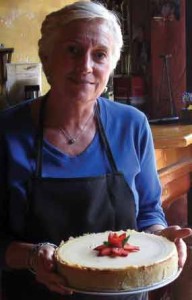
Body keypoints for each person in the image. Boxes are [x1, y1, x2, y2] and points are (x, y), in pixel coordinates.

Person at [0, 1, 191, 300]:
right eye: (73, 50)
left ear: (111, 66)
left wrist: (160, 238)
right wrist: (32, 256)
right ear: (46, 57)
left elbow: (149, 211)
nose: (85, 66)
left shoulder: (132, 125)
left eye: (99, 55)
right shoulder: (7, 131)